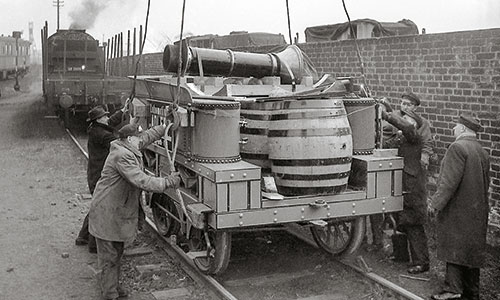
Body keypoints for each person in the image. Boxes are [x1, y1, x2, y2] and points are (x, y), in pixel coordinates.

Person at [89, 123, 181, 300]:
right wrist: (167, 182)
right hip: (108, 213)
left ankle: (113, 288)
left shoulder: (126, 145)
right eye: (138, 138)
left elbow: (146, 137)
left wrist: (165, 126)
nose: (141, 140)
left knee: (116, 252)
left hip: (114, 211)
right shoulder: (122, 156)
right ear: (130, 139)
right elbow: (142, 181)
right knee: (109, 257)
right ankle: (110, 294)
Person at [429, 115, 490, 300]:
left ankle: (452, 290)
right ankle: (472, 292)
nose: (453, 129)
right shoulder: (482, 151)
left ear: (463, 129)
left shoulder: (457, 148)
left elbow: (448, 183)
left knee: (454, 246)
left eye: (456, 126)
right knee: (471, 250)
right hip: (477, 209)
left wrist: (435, 204)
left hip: (458, 209)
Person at [367, 92, 434, 258]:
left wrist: (385, 114)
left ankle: (420, 260)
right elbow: (385, 142)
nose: (404, 107)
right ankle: (400, 255)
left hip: (412, 182)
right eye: (402, 103)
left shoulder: (415, 131)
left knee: (412, 221)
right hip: (399, 179)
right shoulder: (399, 133)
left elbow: (412, 132)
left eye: (409, 105)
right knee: (398, 216)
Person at [75, 105, 127, 253]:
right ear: (98, 119)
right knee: (100, 209)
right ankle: (93, 245)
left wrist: (123, 110)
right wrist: (132, 134)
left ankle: (82, 237)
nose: (107, 118)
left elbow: (110, 122)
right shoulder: (102, 135)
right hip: (99, 176)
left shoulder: (95, 128)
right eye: (104, 116)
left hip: (95, 173)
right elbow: (117, 142)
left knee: (97, 206)